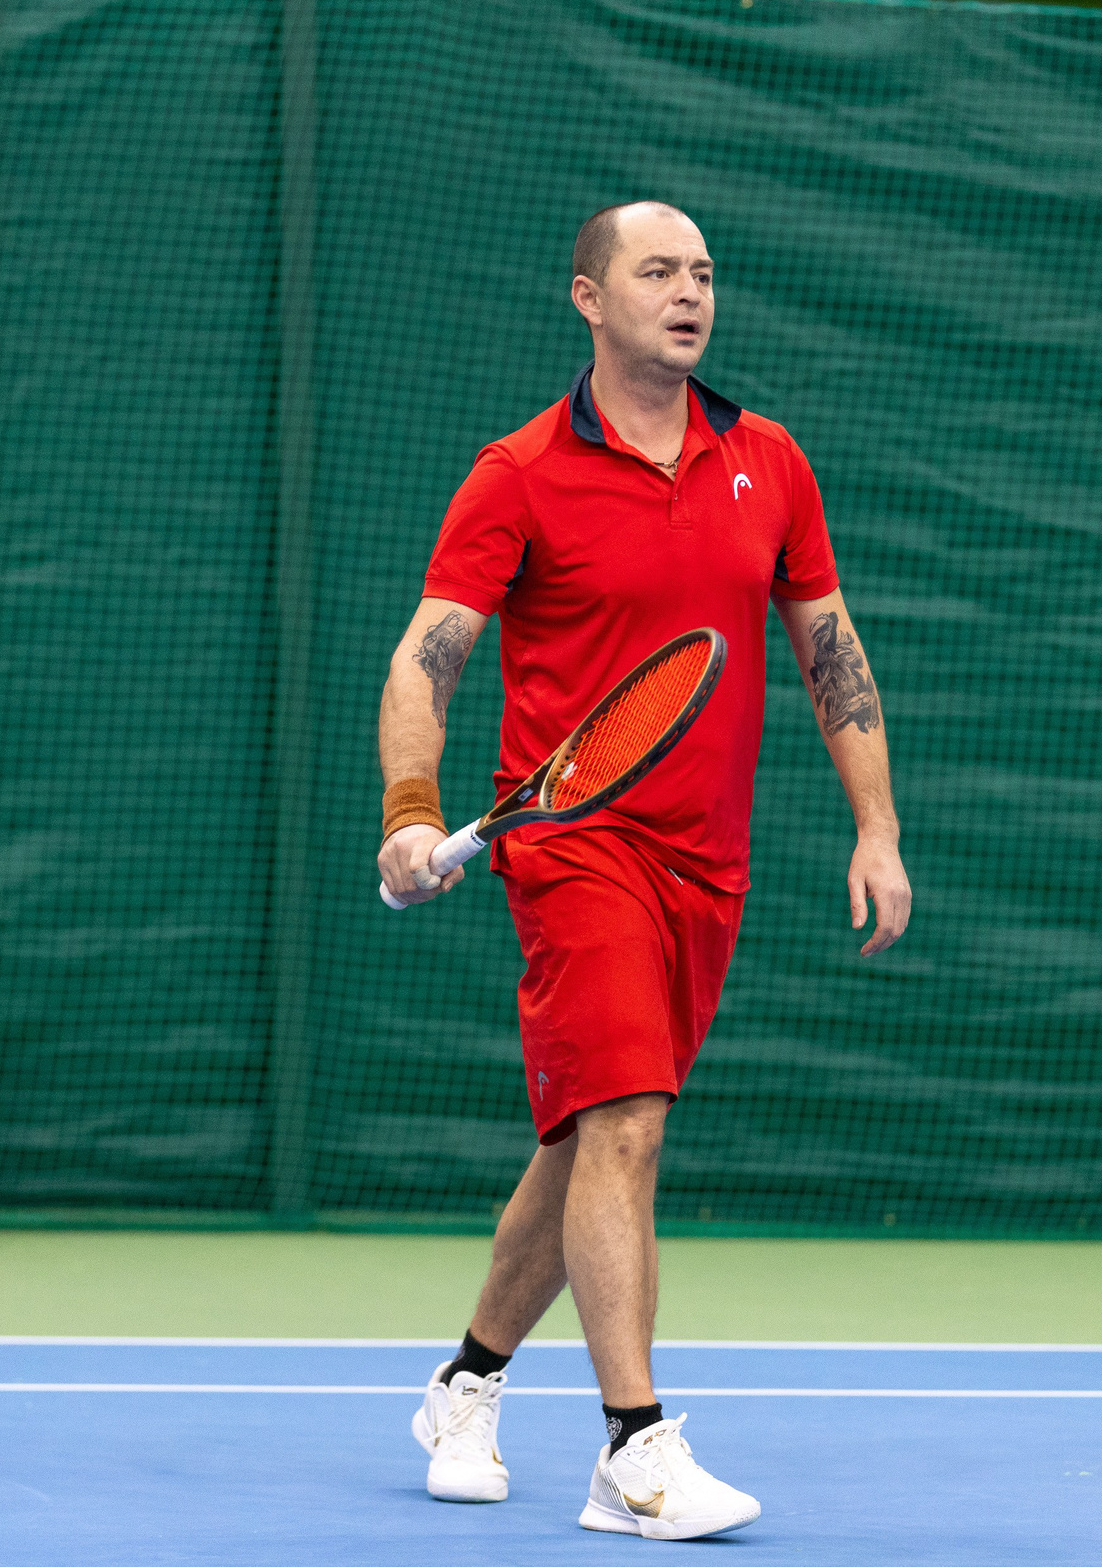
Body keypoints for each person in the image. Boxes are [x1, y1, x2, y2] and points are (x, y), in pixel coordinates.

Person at [376, 201, 911, 1541]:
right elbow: (426, 653)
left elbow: (829, 650)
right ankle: (634, 1450)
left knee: (583, 1142)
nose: (691, 293)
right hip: (572, 845)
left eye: (705, 274)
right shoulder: (519, 473)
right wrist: (409, 807)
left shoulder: (769, 461)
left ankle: (468, 1381)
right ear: (589, 298)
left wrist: (877, 828)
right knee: (628, 1125)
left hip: (707, 864)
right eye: (659, 271)